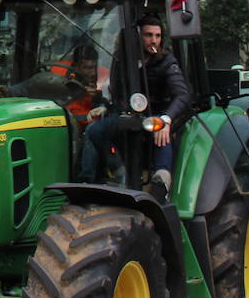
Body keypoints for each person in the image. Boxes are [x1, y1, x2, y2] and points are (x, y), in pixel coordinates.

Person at [78, 14, 191, 197]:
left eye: (158, 36)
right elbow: (118, 90)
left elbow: (182, 94)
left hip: (156, 114)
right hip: (128, 115)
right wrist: (108, 106)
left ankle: (161, 179)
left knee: (160, 130)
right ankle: (112, 172)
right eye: (148, 35)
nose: (154, 40)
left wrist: (166, 119)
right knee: (93, 131)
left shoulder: (166, 61)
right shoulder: (122, 60)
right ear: (137, 36)